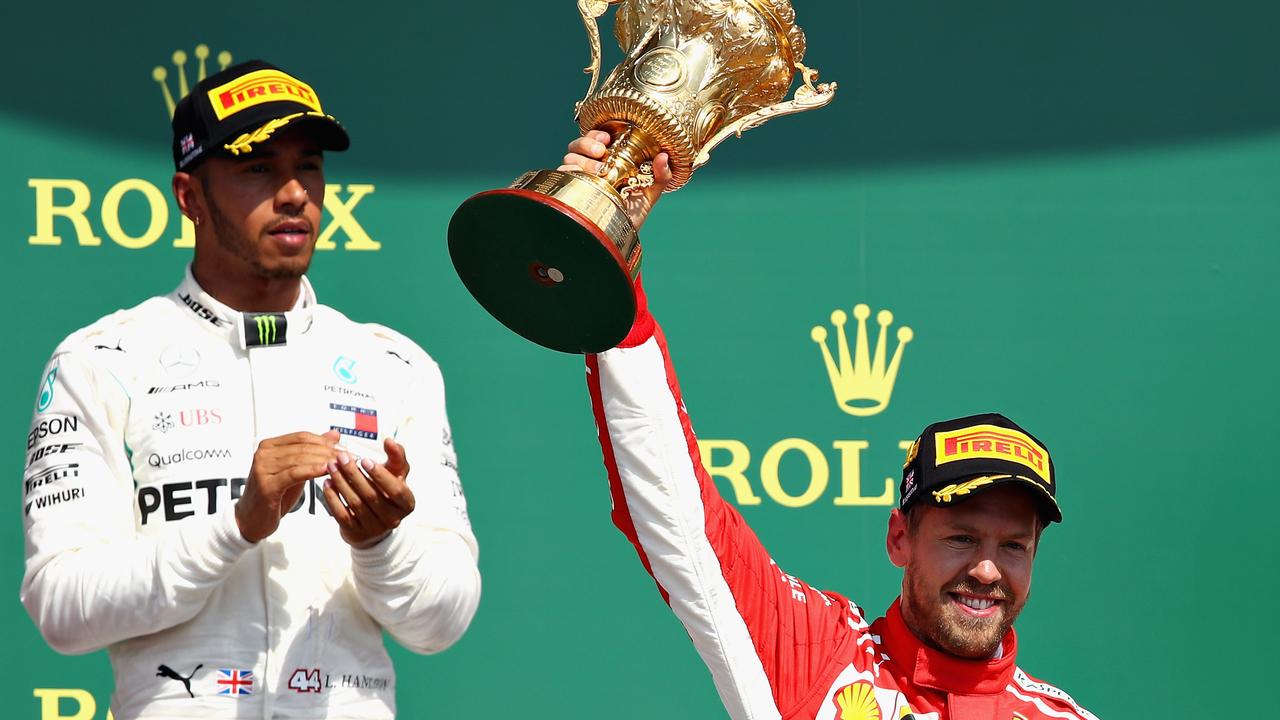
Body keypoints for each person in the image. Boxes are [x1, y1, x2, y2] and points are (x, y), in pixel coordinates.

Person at [562, 132, 1099, 720]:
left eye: (1014, 546)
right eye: (962, 537)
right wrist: (608, 260)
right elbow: (681, 520)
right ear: (900, 538)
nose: (987, 569)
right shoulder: (819, 657)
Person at [21, 60, 480, 719]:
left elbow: (443, 622)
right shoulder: (103, 359)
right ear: (189, 197)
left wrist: (382, 544)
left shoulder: (393, 367)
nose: (294, 192)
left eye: (310, 166)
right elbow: (62, 608)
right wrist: (234, 526)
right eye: (257, 168)